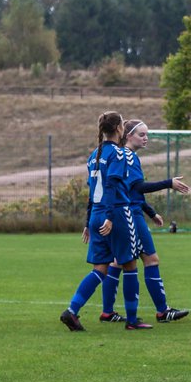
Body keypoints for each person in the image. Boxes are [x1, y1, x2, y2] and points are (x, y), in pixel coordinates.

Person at [60, 112, 150, 331]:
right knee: (129, 264)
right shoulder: (118, 154)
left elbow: (93, 191)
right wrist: (110, 217)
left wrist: (88, 221)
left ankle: (72, 311)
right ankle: (132, 320)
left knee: (100, 268)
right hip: (116, 213)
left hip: (97, 213)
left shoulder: (94, 155)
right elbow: (111, 185)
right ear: (119, 128)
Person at [118, 119, 190, 324]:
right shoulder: (129, 157)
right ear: (128, 135)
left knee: (116, 263)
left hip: (128, 212)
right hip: (131, 215)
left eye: (147, 134)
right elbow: (138, 187)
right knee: (150, 260)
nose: (146, 138)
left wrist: (150, 212)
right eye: (141, 134)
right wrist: (169, 183)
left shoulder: (122, 156)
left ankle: (107, 311)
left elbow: (130, 190)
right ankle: (162, 310)